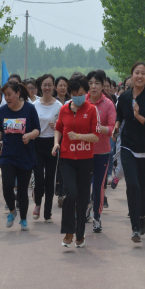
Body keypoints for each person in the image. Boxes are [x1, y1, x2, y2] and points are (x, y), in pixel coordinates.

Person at [113, 61, 145, 243]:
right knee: (132, 185)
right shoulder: (125, 97)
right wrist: (116, 126)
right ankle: (135, 227)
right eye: (136, 72)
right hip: (128, 147)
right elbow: (119, 114)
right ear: (132, 75)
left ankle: (142, 215)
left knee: (144, 188)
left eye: (143, 73)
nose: (139, 76)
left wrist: (139, 116)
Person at [54, 74, 100, 248]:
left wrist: (79, 136)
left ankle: (80, 234)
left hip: (85, 159)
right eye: (74, 94)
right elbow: (59, 128)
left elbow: (95, 136)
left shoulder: (91, 110)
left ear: (86, 93)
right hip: (66, 158)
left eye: (81, 94)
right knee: (70, 194)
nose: (77, 97)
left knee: (82, 198)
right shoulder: (64, 109)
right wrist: (56, 143)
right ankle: (68, 231)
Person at [0, 80, 41, 231]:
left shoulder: (29, 109)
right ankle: (12, 211)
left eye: (9, 94)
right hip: (7, 154)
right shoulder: (3, 110)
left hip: (25, 155)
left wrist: (29, 136)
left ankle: (23, 219)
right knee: (7, 186)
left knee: (22, 190)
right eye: (5, 95)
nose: (7, 98)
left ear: (17, 93)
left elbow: (37, 130)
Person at [86, 70, 116, 232]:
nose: (93, 86)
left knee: (98, 187)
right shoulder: (81, 102)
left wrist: (97, 127)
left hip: (102, 153)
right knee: (83, 186)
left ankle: (97, 218)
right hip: (83, 151)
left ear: (102, 85)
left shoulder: (108, 104)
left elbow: (111, 129)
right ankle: (85, 209)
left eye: (97, 83)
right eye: (90, 83)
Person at [32, 74, 63, 223]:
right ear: (40, 87)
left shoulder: (59, 106)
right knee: (38, 178)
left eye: (50, 85)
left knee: (50, 179)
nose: (47, 88)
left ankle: (47, 212)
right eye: (45, 85)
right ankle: (37, 203)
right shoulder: (34, 105)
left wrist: (57, 126)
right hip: (37, 144)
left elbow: (63, 126)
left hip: (52, 144)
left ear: (54, 87)